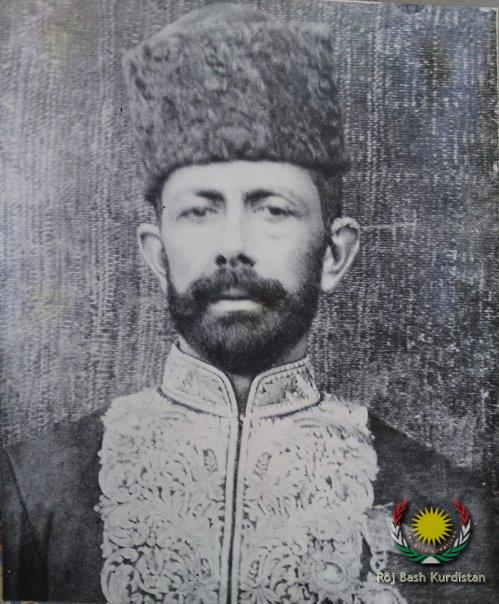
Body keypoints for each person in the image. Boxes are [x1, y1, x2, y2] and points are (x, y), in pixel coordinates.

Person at [1, 4, 495, 603]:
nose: (232, 245)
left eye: (272, 209)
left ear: (334, 254)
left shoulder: (445, 505)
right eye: (199, 210)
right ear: (157, 254)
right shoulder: (33, 490)